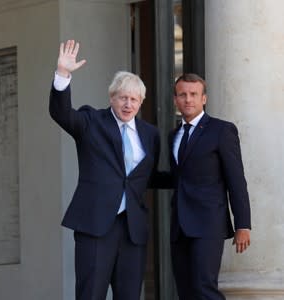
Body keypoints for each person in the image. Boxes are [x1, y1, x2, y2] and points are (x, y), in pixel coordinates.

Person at [49, 40, 163, 300]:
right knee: (90, 294)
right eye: (123, 97)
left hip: (132, 230)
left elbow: (145, 178)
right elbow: (62, 113)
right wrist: (63, 75)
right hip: (96, 224)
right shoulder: (92, 121)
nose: (128, 104)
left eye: (134, 99)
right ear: (112, 98)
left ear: (141, 102)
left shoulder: (150, 134)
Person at [168, 73, 251, 299]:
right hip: (179, 226)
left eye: (194, 94)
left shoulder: (221, 130)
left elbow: (236, 179)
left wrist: (243, 224)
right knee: (186, 291)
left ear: (204, 99)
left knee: (205, 289)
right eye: (182, 94)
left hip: (208, 224)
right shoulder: (173, 135)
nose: (188, 99)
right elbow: (179, 178)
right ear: (175, 99)